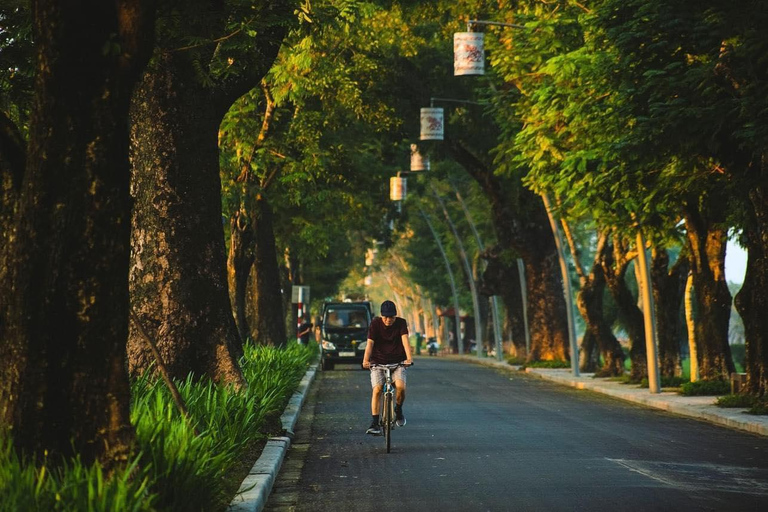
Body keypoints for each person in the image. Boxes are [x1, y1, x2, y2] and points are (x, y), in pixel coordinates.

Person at [362, 300, 413, 435]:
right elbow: (370, 344)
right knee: (377, 390)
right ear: (381, 315)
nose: (388, 320)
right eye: (385, 316)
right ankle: (374, 423)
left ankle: (399, 409)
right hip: (378, 362)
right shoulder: (375, 324)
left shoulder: (401, 323)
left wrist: (409, 358)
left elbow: (405, 341)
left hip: (398, 363)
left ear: (395, 316)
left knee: (401, 388)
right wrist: (365, 360)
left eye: (391, 317)